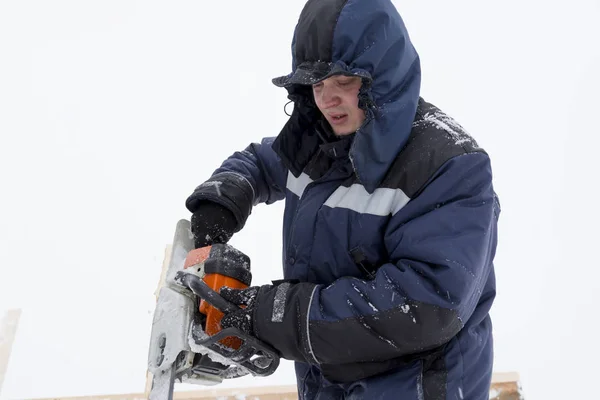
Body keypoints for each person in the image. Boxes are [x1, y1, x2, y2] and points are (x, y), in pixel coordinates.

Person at [185, 0, 500, 399]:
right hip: (325, 381)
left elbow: (427, 304)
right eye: (317, 85)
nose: (327, 99)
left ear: (382, 76)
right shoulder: (321, 140)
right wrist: (224, 199)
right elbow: (263, 162)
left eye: (343, 81)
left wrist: (273, 315)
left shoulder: (450, 166)